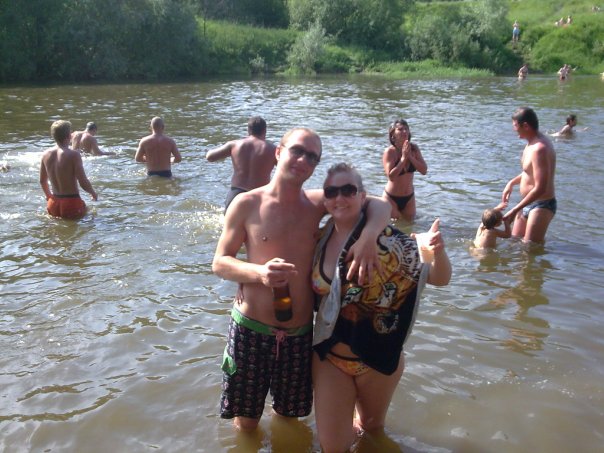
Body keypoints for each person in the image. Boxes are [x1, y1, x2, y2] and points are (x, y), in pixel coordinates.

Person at [211, 128, 391, 433]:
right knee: (247, 423)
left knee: (289, 419)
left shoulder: (317, 203)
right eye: (297, 151)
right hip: (251, 329)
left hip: (299, 335)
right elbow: (220, 262)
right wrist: (259, 273)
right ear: (278, 152)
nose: (304, 160)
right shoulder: (246, 203)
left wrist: (369, 237)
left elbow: (380, 205)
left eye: (312, 157)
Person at [311, 163, 451, 453]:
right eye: (331, 192)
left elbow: (439, 278)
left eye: (348, 190)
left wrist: (437, 252)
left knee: (371, 431)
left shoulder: (392, 241)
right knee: (333, 448)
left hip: (379, 358)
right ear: (325, 199)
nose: (340, 197)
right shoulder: (317, 240)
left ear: (363, 196)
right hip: (331, 359)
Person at [502, 108, 556, 244]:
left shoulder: (540, 149)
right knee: (514, 242)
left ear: (525, 126)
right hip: (526, 202)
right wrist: (511, 183)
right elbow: (529, 172)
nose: (514, 129)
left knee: (529, 249)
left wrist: (514, 210)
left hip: (542, 205)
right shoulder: (531, 144)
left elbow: (541, 188)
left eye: (515, 126)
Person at [206, 116, 277, 211]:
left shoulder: (234, 145)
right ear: (265, 131)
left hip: (236, 195)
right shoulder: (273, 150)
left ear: (249, 130)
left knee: (229, 220)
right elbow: (285, 169)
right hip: (259, 196)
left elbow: (209, 157)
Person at [39, 120, 98, 219]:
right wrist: (93, 193)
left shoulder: (45, 154)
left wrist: (49, 196)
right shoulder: (74, 155)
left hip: (53, 203)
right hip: (72, 202)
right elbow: (83, 181)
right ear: (69, 136)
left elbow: (42, 181)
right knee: (91, 218)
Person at [382, 119, 428, 221]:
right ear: (393, 134)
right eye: (400, 129)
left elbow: (424, 170)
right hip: (391, 197)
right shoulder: (389, 152)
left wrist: (410, 157)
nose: (404, 131)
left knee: (410, 225)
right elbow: (391, 176)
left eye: (406, 129)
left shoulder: (414, 148)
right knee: (396, 225)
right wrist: (403, 159)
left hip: (409, 198)